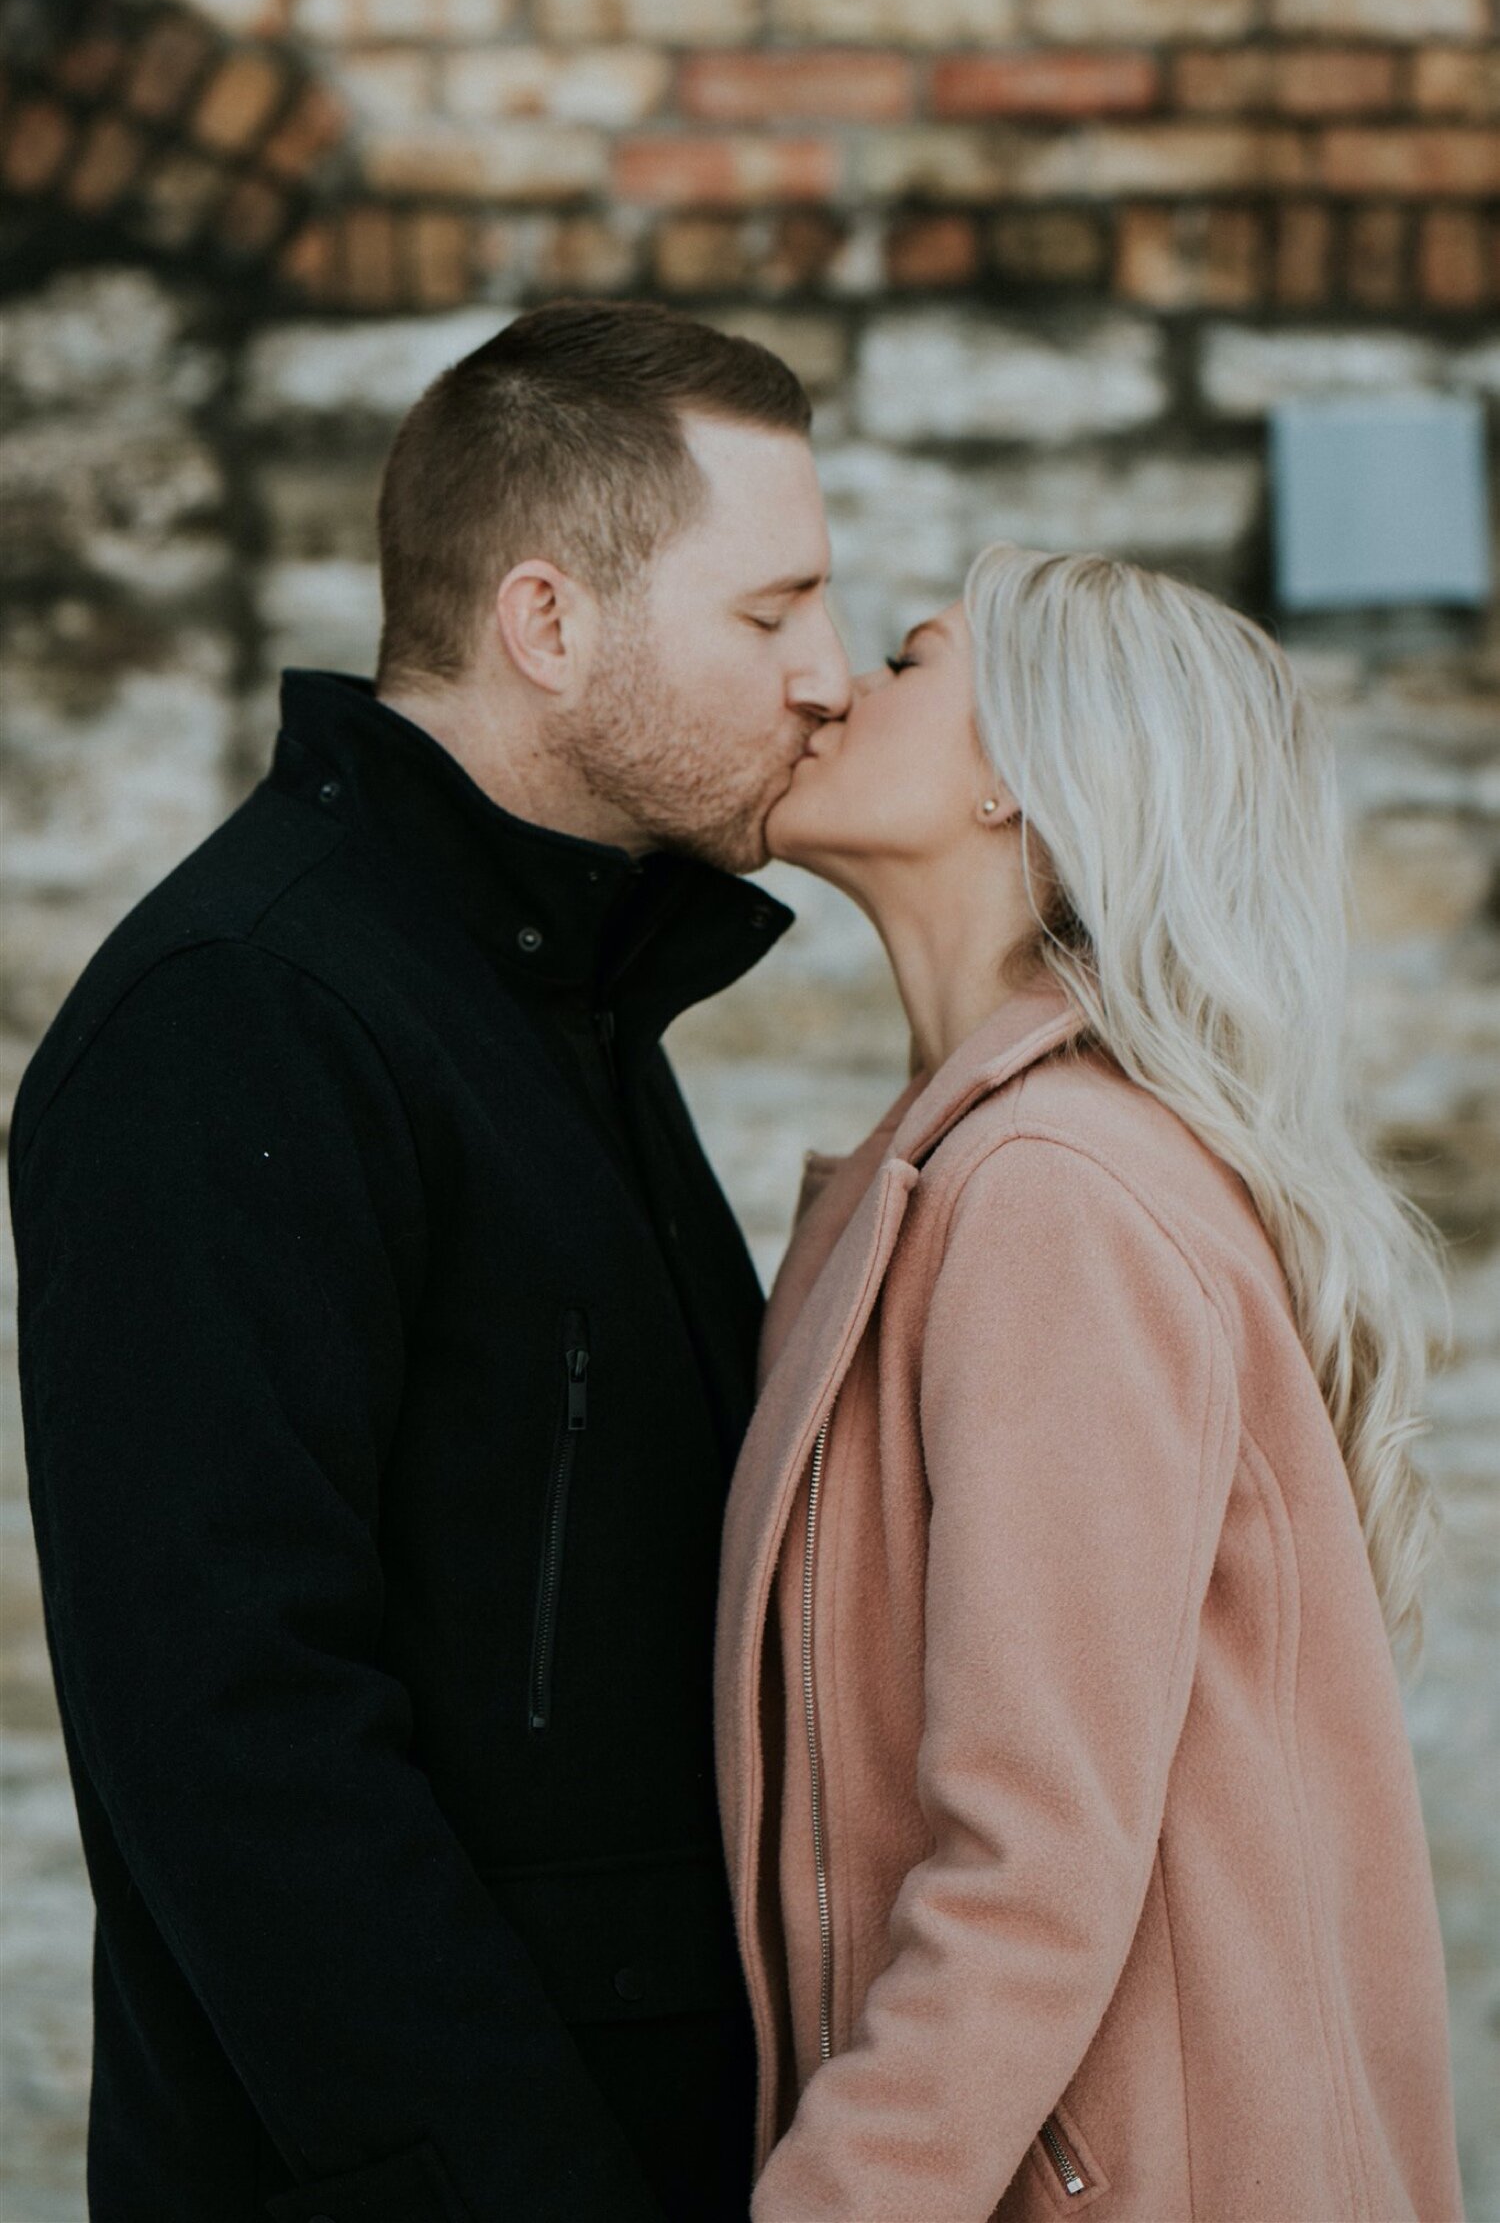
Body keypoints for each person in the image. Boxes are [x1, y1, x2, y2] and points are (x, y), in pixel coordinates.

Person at [10, 300, 851, 2222]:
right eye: (768, 610)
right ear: (548, 625)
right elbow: (240, 1739)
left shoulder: (560, 991)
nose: (824, 678)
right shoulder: (247, 1015)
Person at [716, 544, 1465, 2220]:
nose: (835, 683)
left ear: (1018, 782)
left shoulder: (1054, 1192)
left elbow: (1030, 1867)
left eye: (913, 660)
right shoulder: (970, 1174)